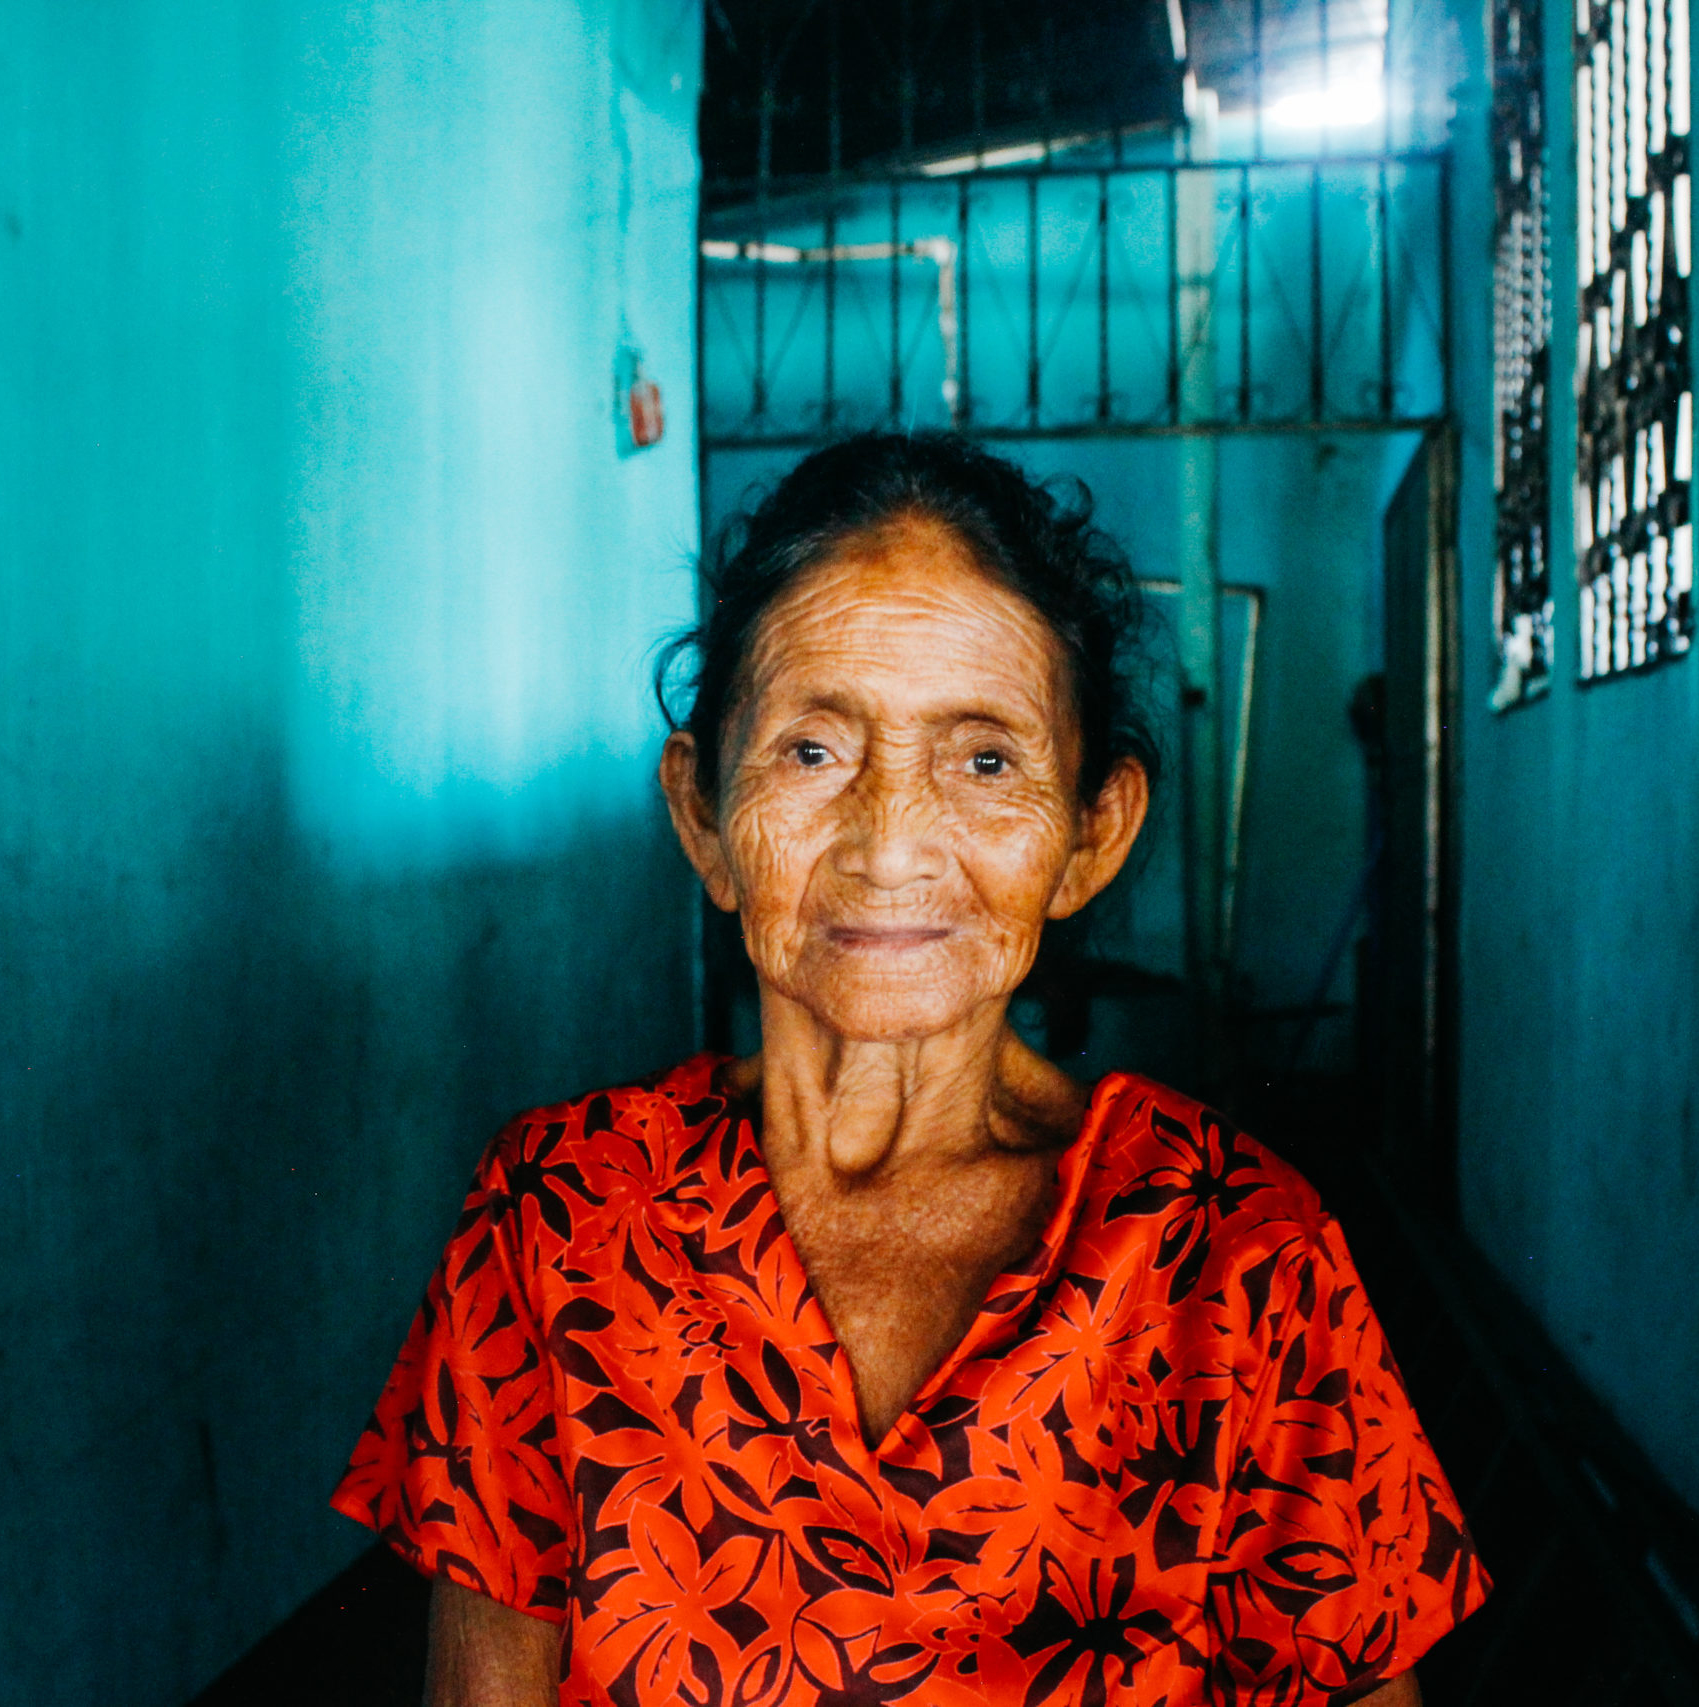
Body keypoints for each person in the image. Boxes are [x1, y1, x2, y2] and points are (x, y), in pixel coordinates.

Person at [332, 434, 1487, 1705]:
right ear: (705, 820)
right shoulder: (557, 1220)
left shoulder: (1234, 1262)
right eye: (812, 752)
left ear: (1089, 835)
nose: (889, 846)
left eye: (983, 759)